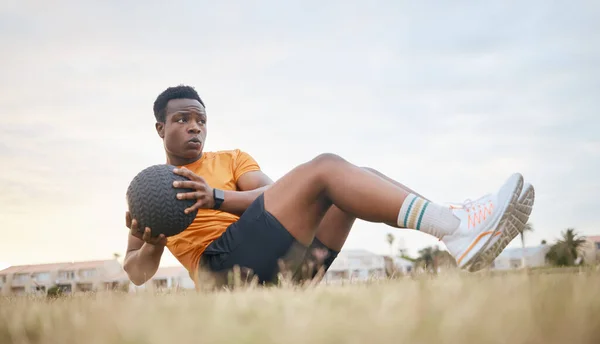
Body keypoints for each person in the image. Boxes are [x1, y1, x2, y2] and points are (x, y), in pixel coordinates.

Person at [123, 85, 533, 288]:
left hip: (289, 270)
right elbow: (136, 273)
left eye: (200, 119)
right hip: (222, 276)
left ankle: (455, 225)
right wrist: (155, 240)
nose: (195, 126)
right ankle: (459, 228)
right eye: (181, 119)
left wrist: (216, 197)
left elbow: (272, 193)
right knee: (326, 169)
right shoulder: (150, 190)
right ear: (160, 128)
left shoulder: (231, 160)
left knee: (354, 181)